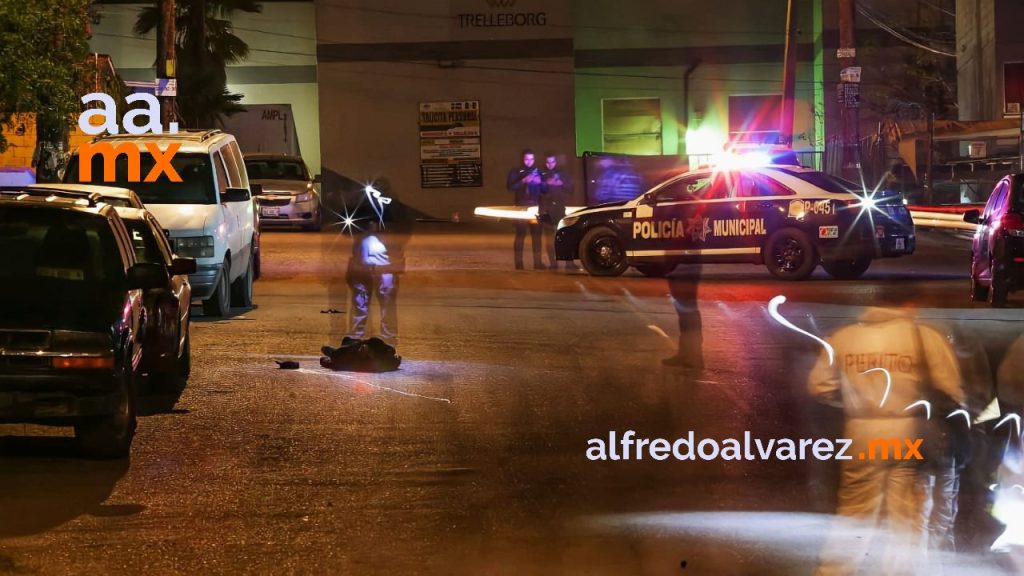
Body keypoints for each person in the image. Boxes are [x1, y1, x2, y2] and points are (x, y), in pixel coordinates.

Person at [808, 305, 967, 575]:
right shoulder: (924, 336)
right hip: (909, 433)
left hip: (862, 433)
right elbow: (951, 390)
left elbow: (819, 386)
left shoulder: (845, 337)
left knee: (854, 514)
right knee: (907, 519)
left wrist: (851, 402)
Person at [506, 149, 544, 270]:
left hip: (535, 207)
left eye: (532, 159)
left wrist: (540, 182)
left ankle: (537, 263)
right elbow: (510, 187)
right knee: (520, 235)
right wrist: (523, 180)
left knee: (536, 236)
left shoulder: (538, 171)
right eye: (527, 159)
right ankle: (519, 264)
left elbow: (545, 190)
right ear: (522, 159)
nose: (529, 161)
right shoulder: (516, 171)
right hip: (521, 207)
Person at [540, 153, 574, 271]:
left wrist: (561, 183)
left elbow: (570, 188)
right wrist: (545, 184)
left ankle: (569, 263)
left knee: (564, 235)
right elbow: (539, 191)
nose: (550, 165)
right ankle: (553, 264)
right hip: (547, 210)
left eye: (552, 162)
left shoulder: (562, 175)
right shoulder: (542, 175)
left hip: (560, 208)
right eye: (548, 162)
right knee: (549, 238)